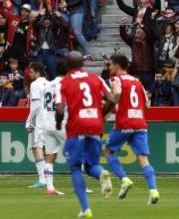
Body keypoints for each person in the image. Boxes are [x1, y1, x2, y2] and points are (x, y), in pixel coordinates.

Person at [55, 51, 115, 217]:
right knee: (91, 165)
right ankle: (101, 173)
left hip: (76, 126)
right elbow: (112, 99)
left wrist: (59, 122)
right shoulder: (96, 78)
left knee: (75, 167)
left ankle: (85, 209)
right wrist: (101, 115)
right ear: (82, 63)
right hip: (95, 125)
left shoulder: (63, 82)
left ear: (67, 65)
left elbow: (60, 109)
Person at [105, 54, 160, 204]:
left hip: (124, 123)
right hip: (140, 123)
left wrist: (109, 109)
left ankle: (124, 179)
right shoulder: (137, 81)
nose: (109, 68)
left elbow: (116, 93)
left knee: (108, 152)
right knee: (143, 159)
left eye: (110, 65)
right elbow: (147, 105)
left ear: (117, 65)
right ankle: (153, 190)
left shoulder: (117, 79)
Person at [42, 63, 67, 195]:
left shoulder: (47, 84)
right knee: (77, 153)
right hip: (61, 123)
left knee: (50, 156)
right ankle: (80, 185)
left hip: (47, 123)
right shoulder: (66, 84)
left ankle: (50, 188)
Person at [26, 62, 48, 188]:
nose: (29, 74)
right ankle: (45, 178)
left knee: (37, 147)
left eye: (31, 71)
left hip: (38, 121)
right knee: (46, 149)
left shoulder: (35, 84)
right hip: (50, 119)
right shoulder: (50, 83)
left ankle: (42, 179)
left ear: (38, 72)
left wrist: (28, 122)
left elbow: (35, 107)